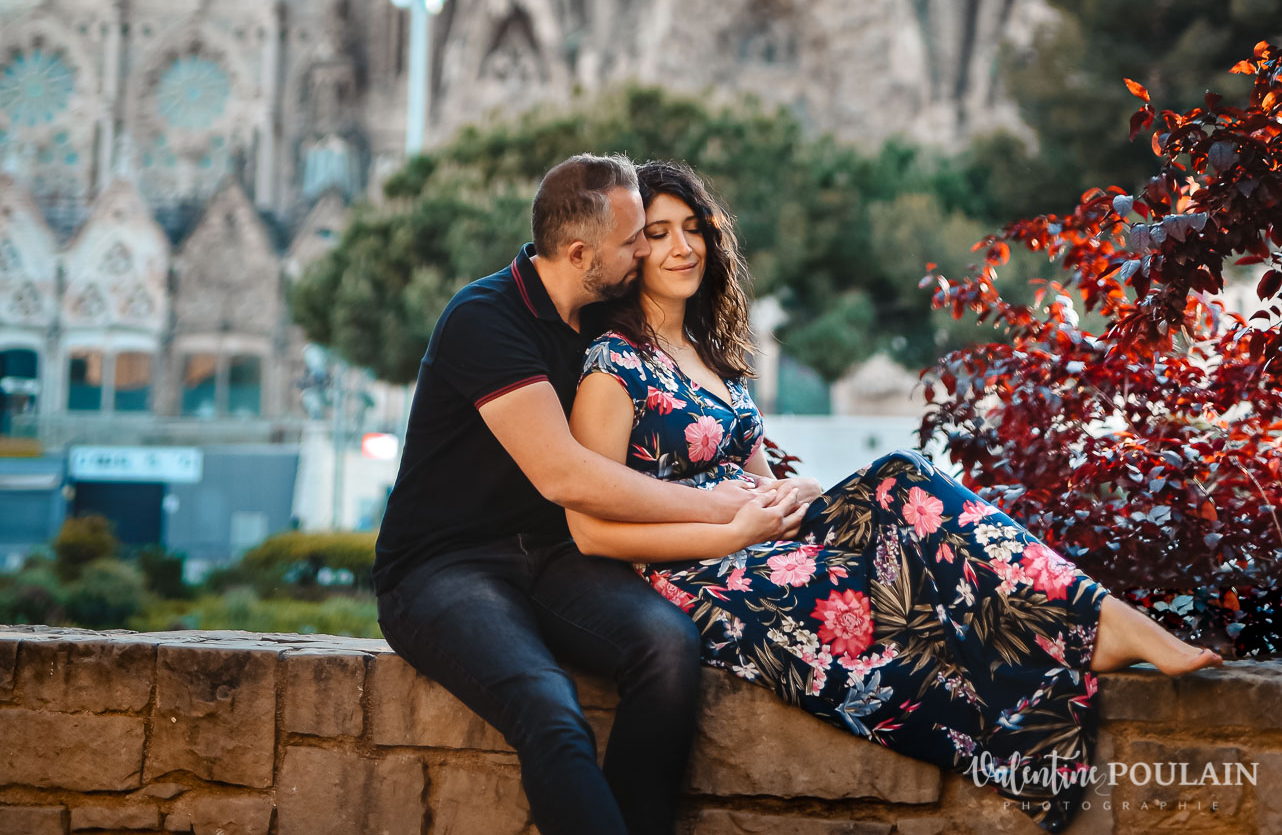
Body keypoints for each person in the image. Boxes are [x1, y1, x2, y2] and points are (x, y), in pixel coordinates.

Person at [568, 160, 1222, 834]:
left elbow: (759, 479)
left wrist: (799, 490)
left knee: (902, 476)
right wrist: (729, 535)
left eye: (693, 228)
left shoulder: (714, 357)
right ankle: (1086, 638)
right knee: (888, 586)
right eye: (659, 233)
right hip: (699, 574)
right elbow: (591, 530)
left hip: (765, 540)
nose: (682, 247)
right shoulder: (613, 366)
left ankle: (1092, 617)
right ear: (632, 251)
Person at [373, 151, 809, 835]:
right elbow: (565, 476)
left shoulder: (604, 320)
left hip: (555, 559)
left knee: (668, 650)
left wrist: (772, 490)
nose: (645, 252)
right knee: (548, 706)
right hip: (445, 567)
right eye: (635, 240)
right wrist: (722, 508)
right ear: (580, 254)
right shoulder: (485, 318)